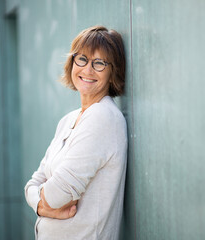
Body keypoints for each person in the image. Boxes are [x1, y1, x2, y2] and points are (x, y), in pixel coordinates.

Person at [24, 25, 127, 240]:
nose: (88, 70)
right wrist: (42, 207)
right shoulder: (68, 120)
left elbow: (57, 195)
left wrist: (43, 200)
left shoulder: (103, 117)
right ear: (72, 63)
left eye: (99, 63)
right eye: (82, 59)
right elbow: (33, 183)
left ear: (112, 72)